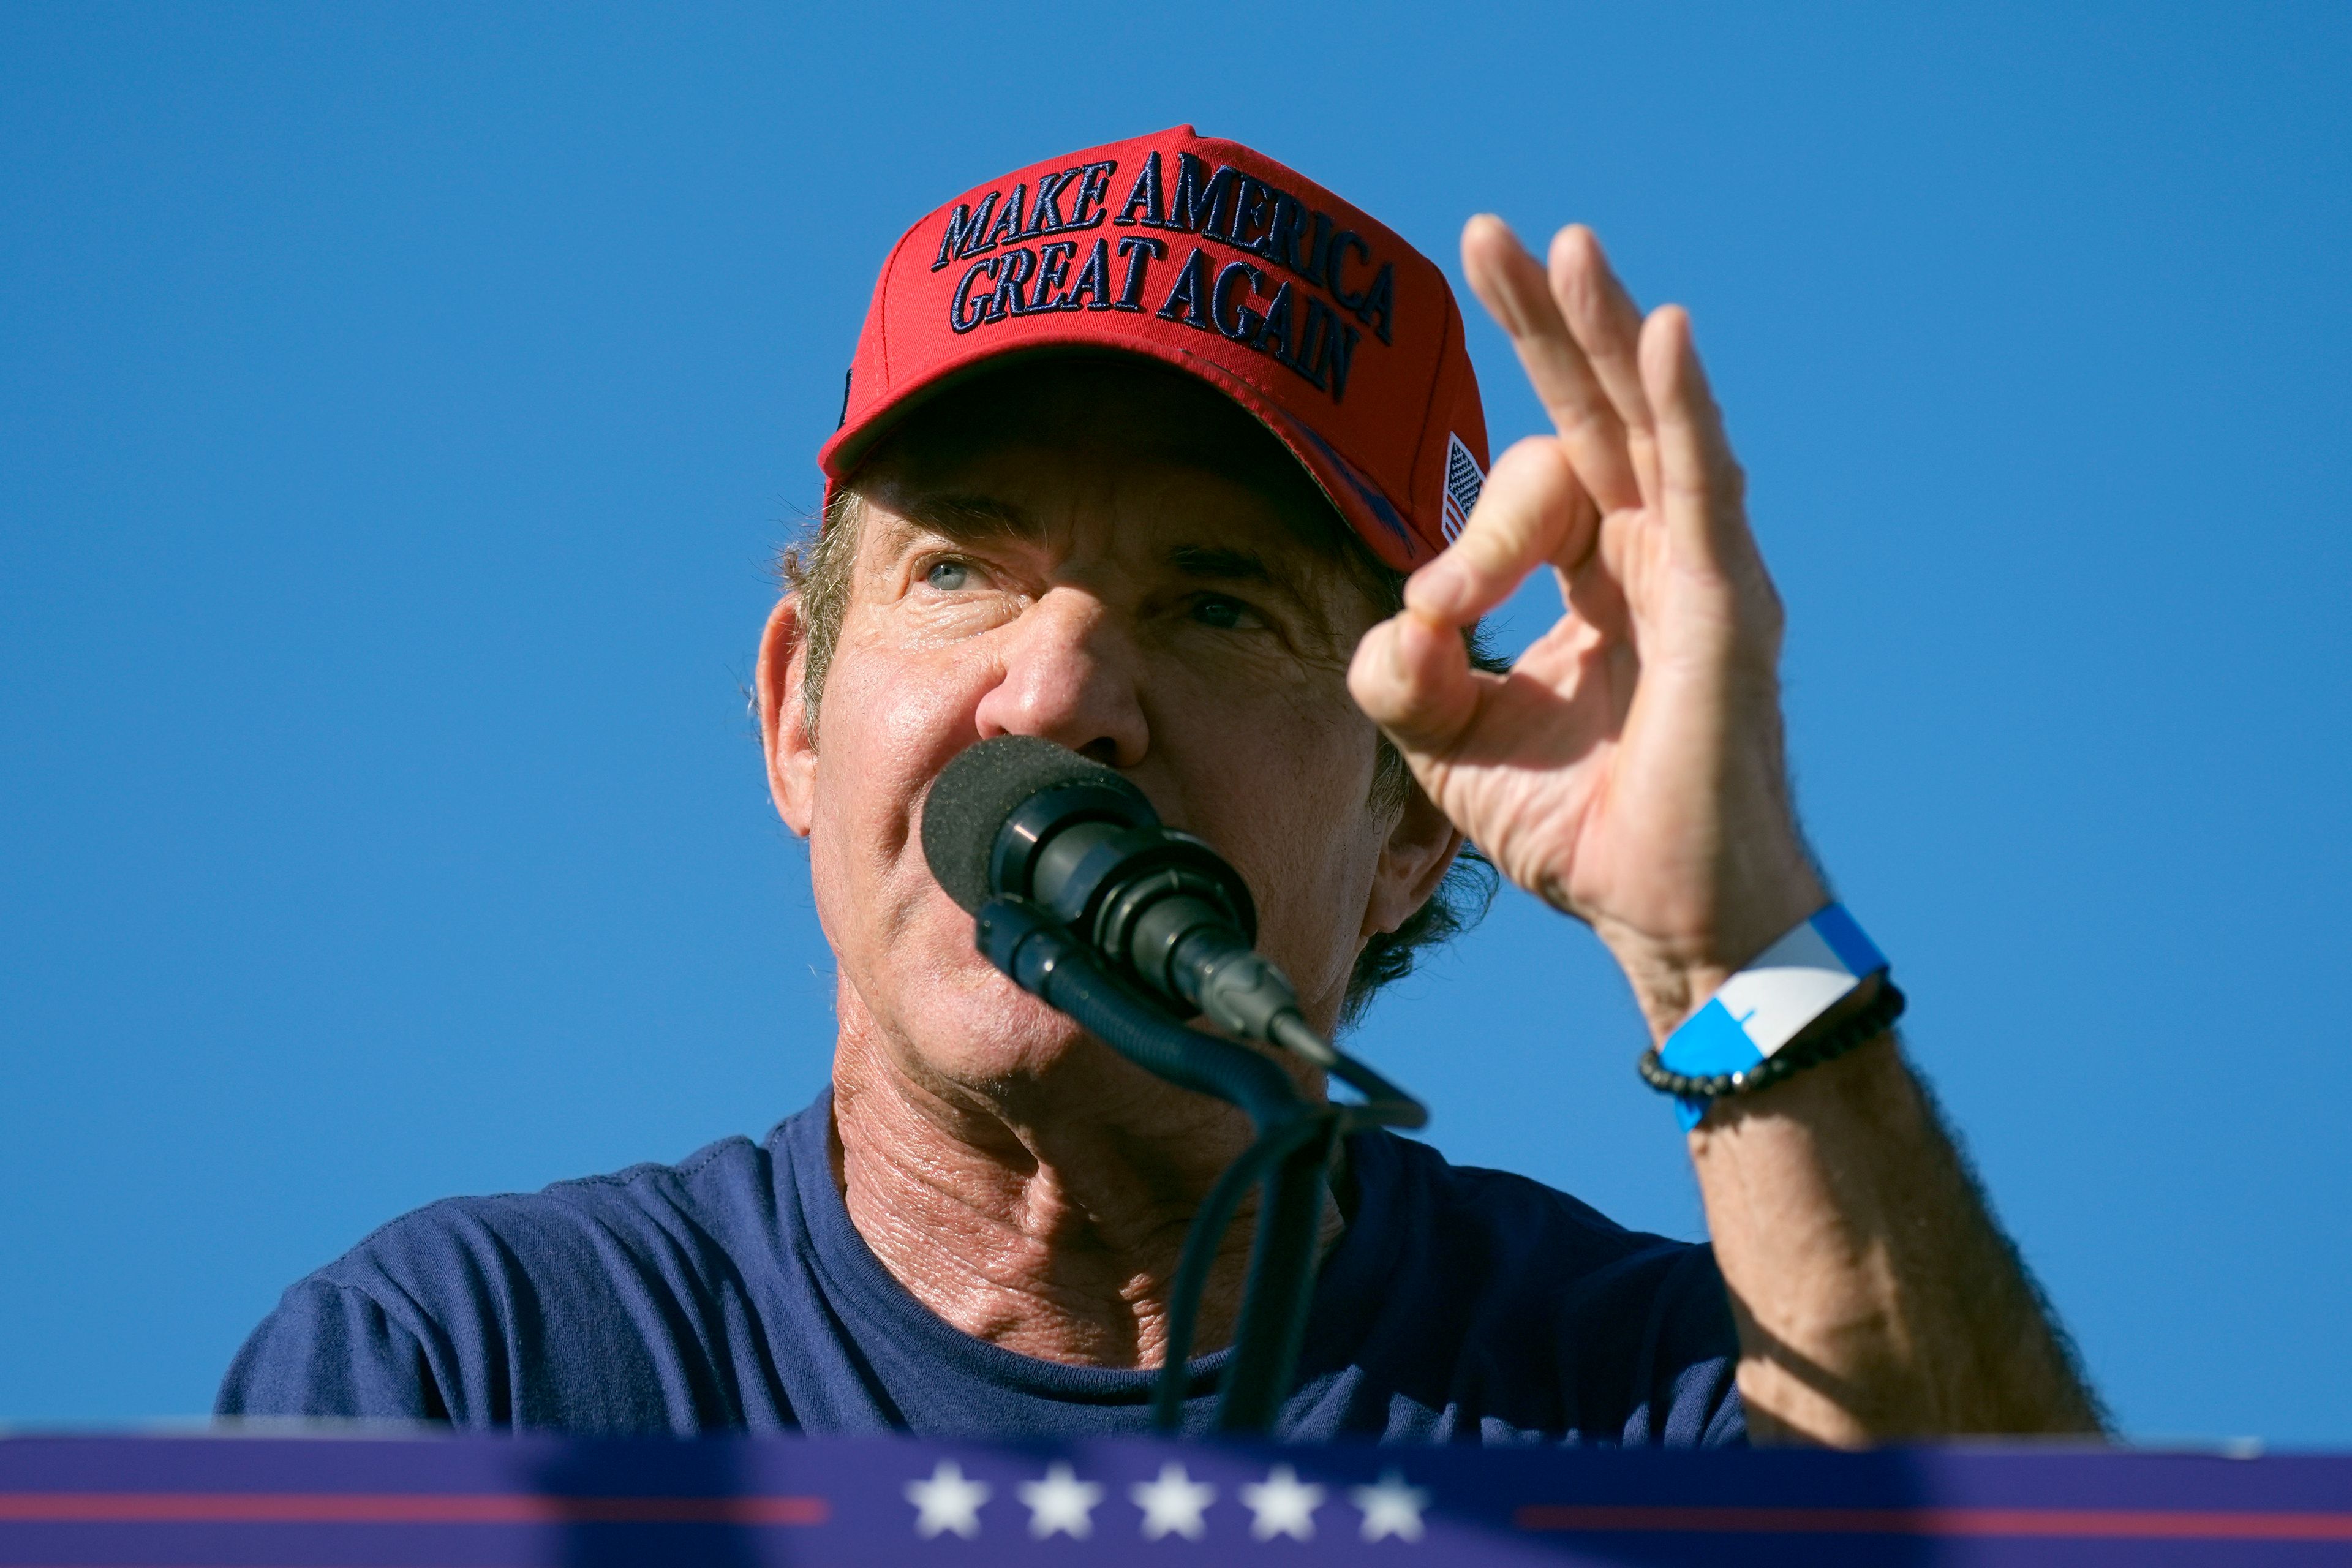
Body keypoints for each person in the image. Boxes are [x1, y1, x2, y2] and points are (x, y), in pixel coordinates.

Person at [218, 126, 2104, 1444]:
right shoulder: (469, 1375)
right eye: (961, 567)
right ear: (800, 715)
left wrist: (1728, 933)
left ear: (1408, 828)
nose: (1058, 694)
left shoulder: (1648, 1401)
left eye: (1218, 605)